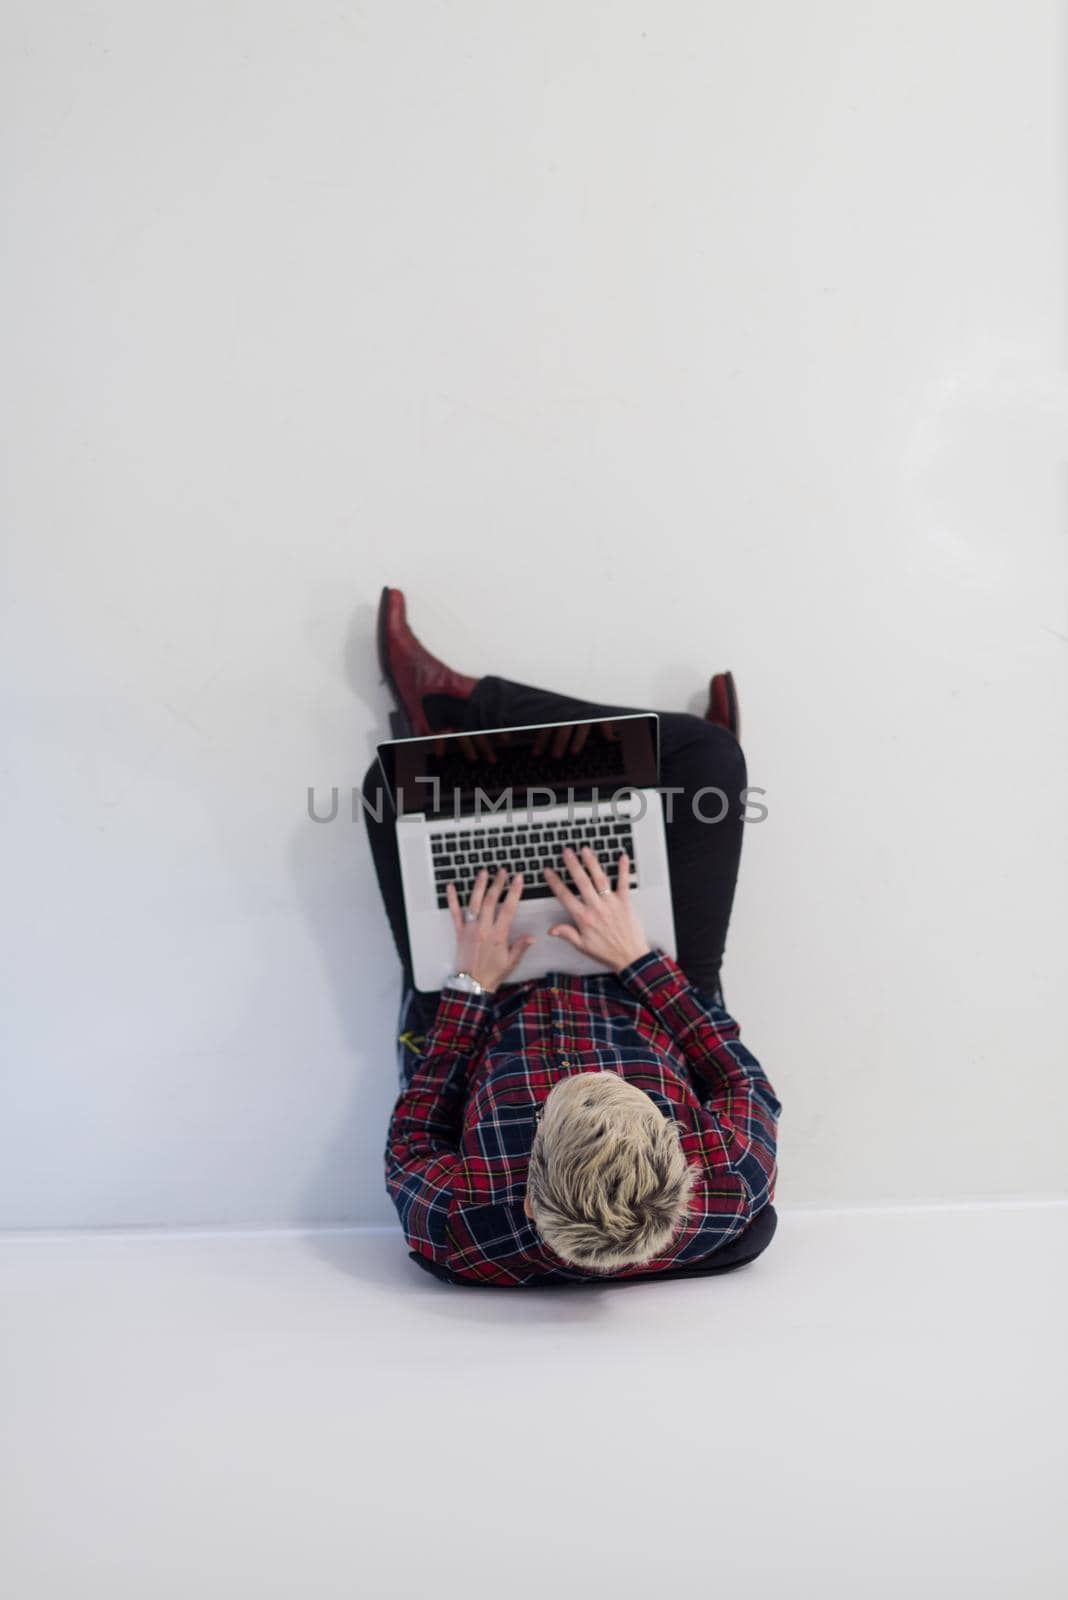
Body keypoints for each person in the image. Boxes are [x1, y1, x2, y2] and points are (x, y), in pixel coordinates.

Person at [362, 588, 781, 1287]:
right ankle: (637, 782)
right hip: (641, 980)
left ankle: (451, 721)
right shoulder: (730, 1179)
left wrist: (469, 986)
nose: (583, 1065)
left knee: (389, 783)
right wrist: (639, 958)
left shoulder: (457, 1223)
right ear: (683, 1160)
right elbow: (737, 1075)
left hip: (489, 995)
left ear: (525, 1196)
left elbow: (413, 1132)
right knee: (708, 758)